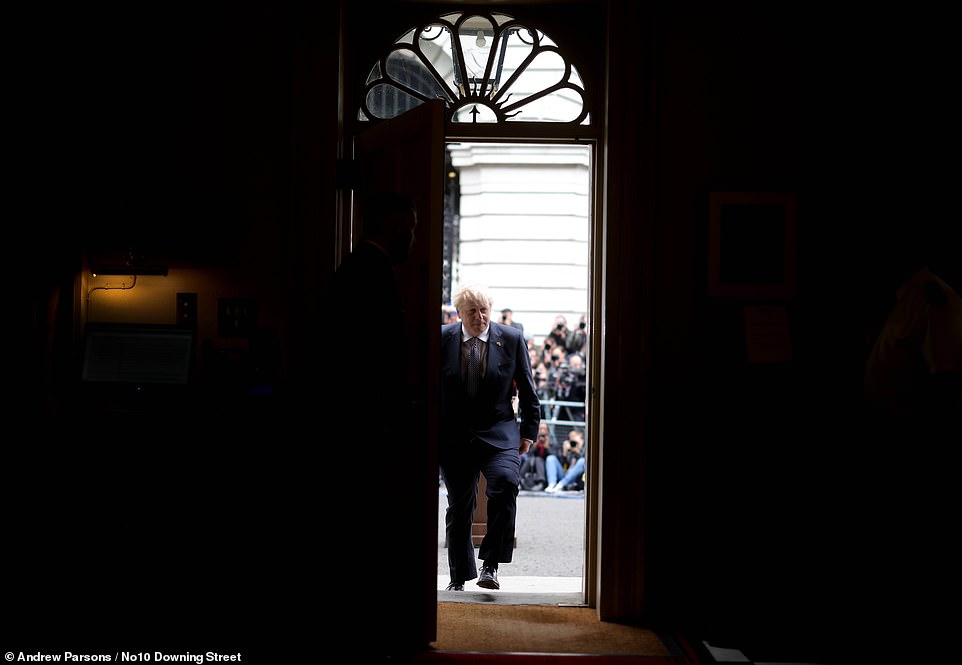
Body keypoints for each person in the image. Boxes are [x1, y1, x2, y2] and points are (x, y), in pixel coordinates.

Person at [440, 284, 540, 591]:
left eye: (484, 310)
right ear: (459, 313)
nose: (480, 317)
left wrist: (528, 433)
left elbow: (527, 388)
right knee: (460, 506)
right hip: (455, 436)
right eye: (472, 311)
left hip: (499, 432)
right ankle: (458, 577)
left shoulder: (510, 339)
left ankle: (490, 566)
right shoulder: (443, 338)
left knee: (506, 483)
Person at [546, 428, 586, 492]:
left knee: (582, 461)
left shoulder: (585, 448)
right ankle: (552, 485)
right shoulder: (569, 449)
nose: (572, 441)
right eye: (570, 438)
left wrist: (577, 452)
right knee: (551, 458)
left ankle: (560, 485)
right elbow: (562, 465)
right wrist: (564, 454)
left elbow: (583, 465)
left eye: (574, 437)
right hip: (565, 475)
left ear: (581, 438)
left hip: (576, 479)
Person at [519, 422, 551, 491]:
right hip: (532, 464)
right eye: (540, 429)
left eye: (544, 429)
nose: (542, 431)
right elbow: (528, 454)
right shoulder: (533, 440)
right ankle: (519, 480)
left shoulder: (551, 441)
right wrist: (535, 445)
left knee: (538, 459)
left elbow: (553, 457)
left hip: (545, 466)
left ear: (547, 431)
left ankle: (541, 483)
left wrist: (546, 446)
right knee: (531, 459)